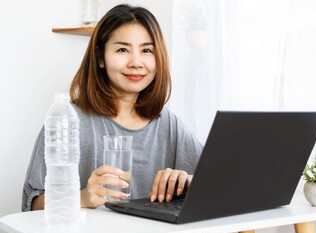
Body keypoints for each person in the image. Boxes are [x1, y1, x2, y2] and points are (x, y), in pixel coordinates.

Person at [22, 4, 203, 211]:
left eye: (146, 50)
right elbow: (32, 203)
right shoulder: (69, 119)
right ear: (100, 58)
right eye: (123, 49)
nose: (136, 62)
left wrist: (187, 181)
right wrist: (81, 198)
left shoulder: (166, 122)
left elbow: (217, 178)